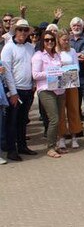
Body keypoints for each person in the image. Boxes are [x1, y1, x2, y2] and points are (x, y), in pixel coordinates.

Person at [1, 19, 36, 161]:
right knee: (12, 122)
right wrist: (13, 92)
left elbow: (33, 67)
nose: (22, 32)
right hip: (14, 90)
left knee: (22, 121)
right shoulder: (8, 48)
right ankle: (11, 150)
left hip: (28, 89)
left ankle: (22, 145)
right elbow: (7, 72)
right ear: (15, 30)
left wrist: (33, 84)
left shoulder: (30, 47)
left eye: (25, 30)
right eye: (20, 29)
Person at [32, 31, 67, 158]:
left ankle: (56, 145)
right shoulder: (38, 56)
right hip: (46, 90)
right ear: (43, 41)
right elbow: (35, 75)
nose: (50, 42)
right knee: (54, 119)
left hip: (59, 90)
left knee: (59, 119)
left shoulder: (57, 55)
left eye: (52, 39)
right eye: (47, 40)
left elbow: (62, 71)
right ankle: (50, 147)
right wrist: (51, 72)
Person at [56, 30, 82, 150]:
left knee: (73, 109)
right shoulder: (55, 52)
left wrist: (68, 70)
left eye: (67, 40)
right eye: (64, 40)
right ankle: (61, 137)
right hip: (59, 85)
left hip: (71, 83)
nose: (66, 42)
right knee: (60, 112)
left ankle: (74, 136)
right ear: (59, 40)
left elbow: (77, 67)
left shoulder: (72, 51)